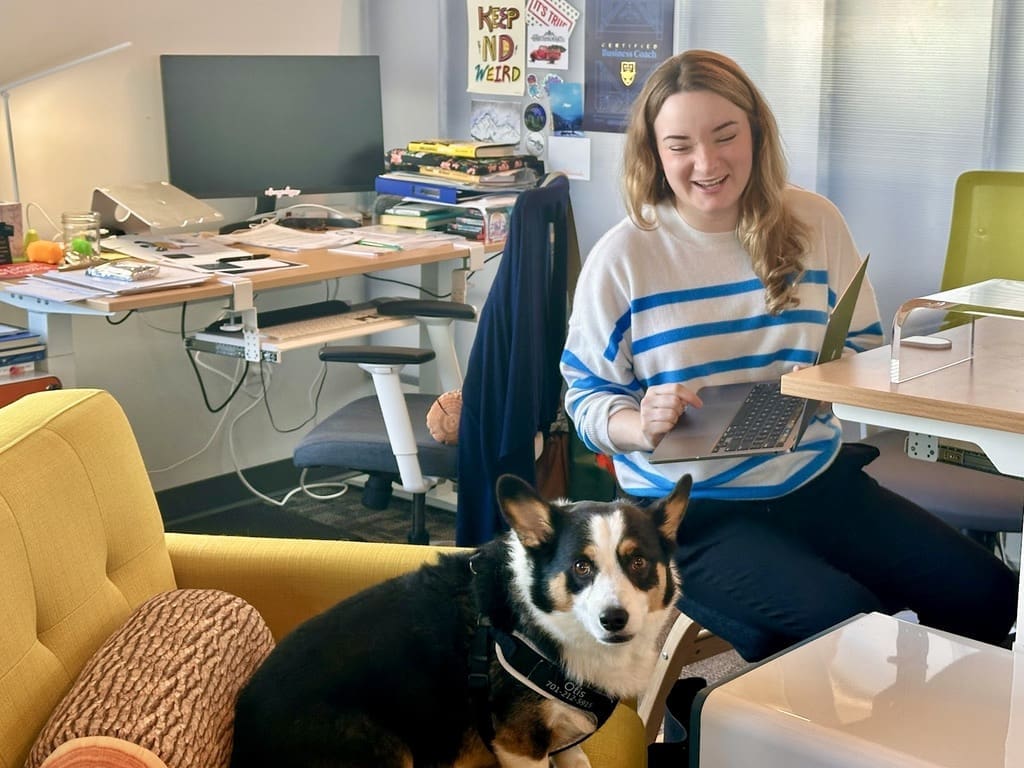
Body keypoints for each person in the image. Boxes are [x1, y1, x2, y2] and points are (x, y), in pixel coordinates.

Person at [560, 49, 1016, 661]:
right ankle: (722, 726)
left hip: (814, 480)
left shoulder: (814, 221)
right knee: (846, 623)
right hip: (688, 516)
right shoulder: (625, 257)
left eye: (726, 136)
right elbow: (586, 393)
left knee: (990, 593)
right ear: (653, 152)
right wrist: (636, 425)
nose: (707, 163)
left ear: (756, 132)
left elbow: (863, 346)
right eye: (680, 146)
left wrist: (830, 377)